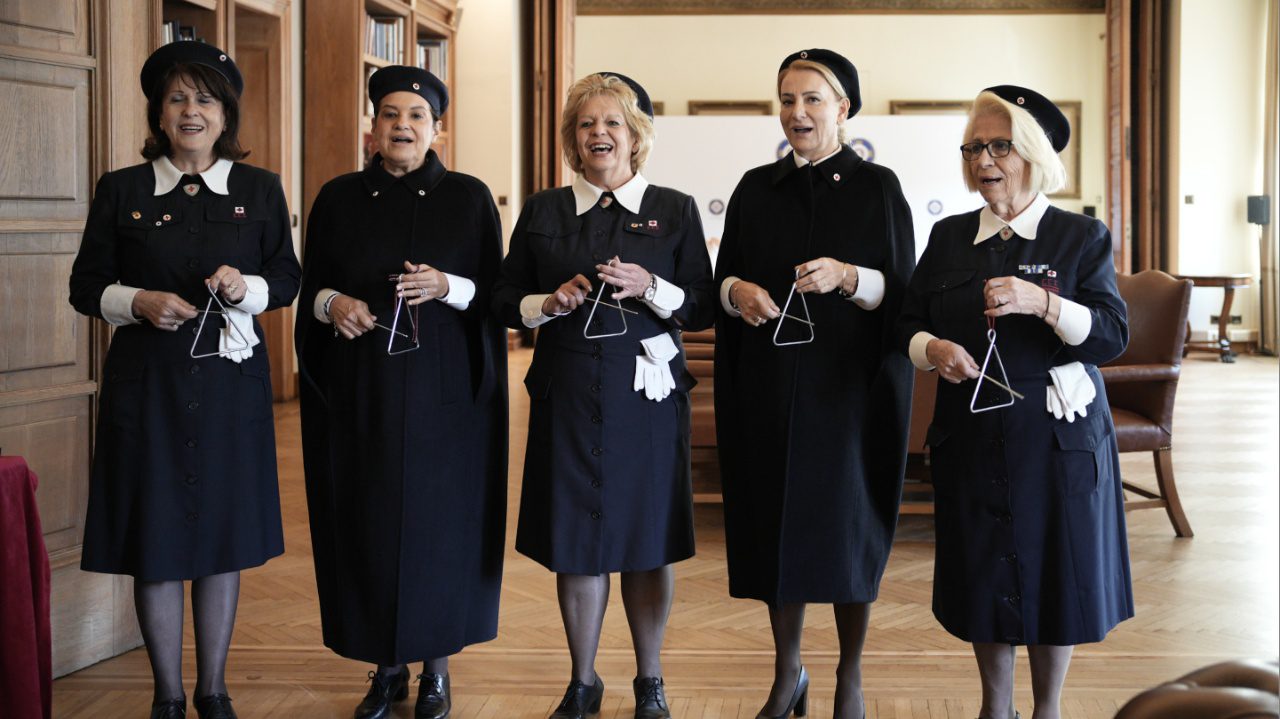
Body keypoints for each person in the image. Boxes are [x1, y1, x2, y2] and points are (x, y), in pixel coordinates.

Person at [67, 42, 300, 719]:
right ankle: (167, 695)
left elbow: (287, 277)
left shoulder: (259, 189)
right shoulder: (123, 188)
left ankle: (214, 689)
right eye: (176, 98)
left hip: (230, 390)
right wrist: (136, 300)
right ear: (158, 114)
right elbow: (85, 285)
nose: (190, 111)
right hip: (148, 390)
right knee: (157, 541)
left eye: (204, 99)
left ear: (226, 114)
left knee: (222, 539)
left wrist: (247, 286)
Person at [895, 85, 1132, 719]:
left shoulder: (1081, 236)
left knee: (1055, 573)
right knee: (984, 573)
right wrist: (931, 348)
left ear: (1032, 153)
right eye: (973, 147)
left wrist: (1044, 303)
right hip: (970, 433)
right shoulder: (948, 237)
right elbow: (906, 323)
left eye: (1000, 146)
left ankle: (1048, 708)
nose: (983, 160)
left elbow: (1111, 336)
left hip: (1055, 440)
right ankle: (995, 708)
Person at [492, 72, 714, 719]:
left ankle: (650, 680)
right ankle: (583, 680)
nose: (599, 133)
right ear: (572, 138)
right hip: (566, 397)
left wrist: (651, 286)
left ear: (635, 135)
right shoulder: (543, 210)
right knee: (575, 542)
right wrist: (546, 302)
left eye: (612, 122)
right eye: (587, 123)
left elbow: (702, 306)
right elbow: (504, 298)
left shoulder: (674, 208)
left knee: (647, 542)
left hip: (646, 401)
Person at [294, 65, 508, 719]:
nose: (402, 125)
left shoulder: (469, 198)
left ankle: (437, 671)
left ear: (437, 127)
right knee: (369, 525)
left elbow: (497, 294)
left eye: (416, 115)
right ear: (373, 125)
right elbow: (312, 288)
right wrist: (332, 305)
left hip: (444, 397)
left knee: (437, 531)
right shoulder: (337, 198)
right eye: (390, 113)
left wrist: (448, 286)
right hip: (362, 392)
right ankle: (385, 669)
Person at [713, 49, 916, 719]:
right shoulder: (755, 187)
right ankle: (787, 672)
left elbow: (904, 293)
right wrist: (737, 290)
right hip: (770, 388)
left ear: (843, 108)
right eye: (787, 99)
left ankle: (850, 675)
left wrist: (850, 277)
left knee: (850, 531)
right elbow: (721, 277)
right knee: (776, 529)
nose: (796, 112)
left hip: (850, 392)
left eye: (811, 99)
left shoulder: (878, 187)